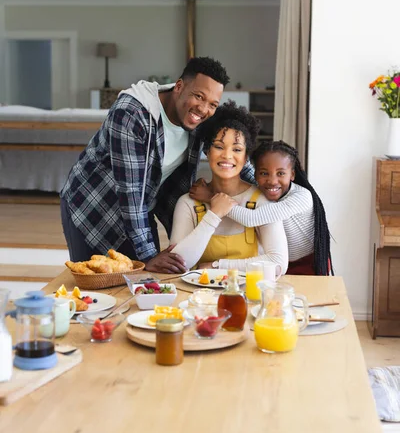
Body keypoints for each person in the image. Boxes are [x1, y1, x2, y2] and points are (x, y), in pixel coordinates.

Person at [60, 57, 235, 273]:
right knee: (95, 285)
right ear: (179, 86)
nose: (203, 109)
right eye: (198, 96)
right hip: (91, 208)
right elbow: (130, 191)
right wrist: (148, 256)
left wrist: (272, 182)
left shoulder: (201, 118)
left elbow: (234, 150)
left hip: (141, 207)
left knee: (145, 284)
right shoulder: (132, 114)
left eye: (212, 104)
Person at [170, 101, 288, 272]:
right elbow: (178, 264)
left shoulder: (261, 201)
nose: (227, 156)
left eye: (237, 149)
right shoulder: (189, 203)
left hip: (250, 295)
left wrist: (217, 266)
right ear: (207, 151)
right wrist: (214, 214)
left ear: (246, 156)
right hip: (199, 298)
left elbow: (278, 263)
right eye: (218, 147)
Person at [192, 139, 333, 275]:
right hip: (278, 265)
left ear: (292, 174)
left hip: (309, 263)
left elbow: (252, 218)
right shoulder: (259, 196)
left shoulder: (301, 197)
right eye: (264, 173)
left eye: (281, 173)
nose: (272, 181)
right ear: (255, 174)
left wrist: (210, 197)